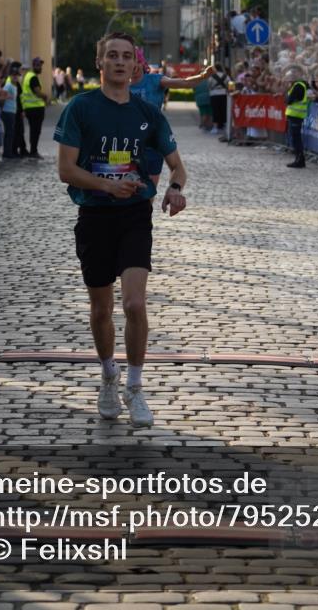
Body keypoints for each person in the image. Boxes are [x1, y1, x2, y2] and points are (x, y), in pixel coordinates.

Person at [54, 31, 187, 429]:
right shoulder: (80, 108)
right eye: (112, 55)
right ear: (100, 62)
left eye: (126, 56)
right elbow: (66, 170)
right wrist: (107, 185)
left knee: (134, 304)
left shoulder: (148, 113)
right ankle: (109, 375)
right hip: (94, 217)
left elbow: (178, 166)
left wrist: (175, 189)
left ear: (135, 65)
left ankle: (135, 386)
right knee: (101, 310)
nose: (119, 62)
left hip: (134, 216)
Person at [130, 50, 212, 187]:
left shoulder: (155, 80)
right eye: (131, 61)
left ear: (143, 63)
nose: (134, 65)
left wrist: (202, 76)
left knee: (148, 189)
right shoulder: (121, 85)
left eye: (138, 61)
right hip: (128, 142)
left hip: (153, 141)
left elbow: (184, 83)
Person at [22, 56, 49, 159]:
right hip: (35, 109)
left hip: (29, 108)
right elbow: (37, 92)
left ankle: (32, 150)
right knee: (35, 131)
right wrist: (45, 97)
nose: (40, 67)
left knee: (33, 130)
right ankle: (33, 151)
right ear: (34, 66)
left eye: (41, 65)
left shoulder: (28, 76)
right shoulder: (33, 77)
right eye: (38, 65)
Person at [284, 68, 309, 168]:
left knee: (296, 139)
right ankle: (298, 159)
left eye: (292, 75)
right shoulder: (296, 85)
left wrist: (287, 94)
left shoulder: (299, 86)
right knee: (295, 138)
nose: (290, 78)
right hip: (295, 116)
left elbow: (289, 100)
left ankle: (300, 160)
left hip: (296, 116)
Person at [1, 63, 22, 159]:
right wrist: (5, 97)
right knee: (9, 132)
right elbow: (3, 95)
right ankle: (7, 152)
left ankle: (8, 151)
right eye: (14, 75)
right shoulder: (8, 85)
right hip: (7, 111)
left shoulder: (15, 86)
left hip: (12, 111)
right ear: (10, 76)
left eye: (17, 75)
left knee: (11, 132)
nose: (15, 77)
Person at [207, 63, 232, 135]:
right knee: (224, 110)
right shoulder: (226, 76)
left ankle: (215, 127)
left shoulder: (212, 77)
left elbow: (209, 85)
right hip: (224, 94)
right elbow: (230, 84)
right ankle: (225, 126)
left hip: (214, 94)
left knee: (215, 110)